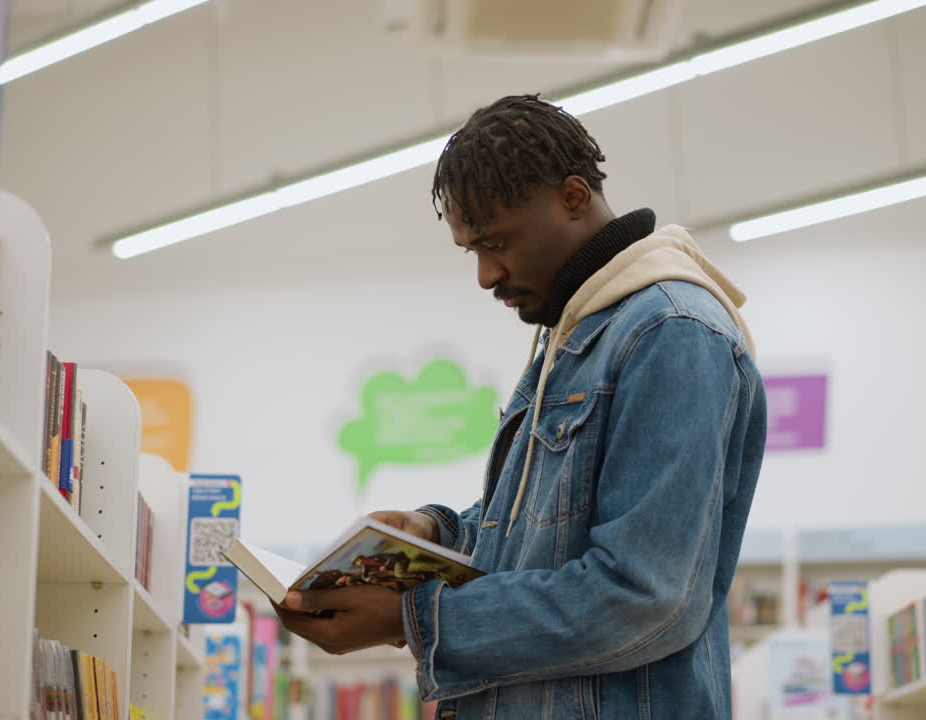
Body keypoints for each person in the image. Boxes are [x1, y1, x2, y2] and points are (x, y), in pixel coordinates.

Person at [274, 94, 767, 719]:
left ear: (572, 197)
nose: (485, 275)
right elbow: (546, 537)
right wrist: (436, 533)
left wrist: (413, 617)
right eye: (472, 251)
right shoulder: (574, 335)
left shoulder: (670, 332)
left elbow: (646, 597)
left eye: (498, 243)